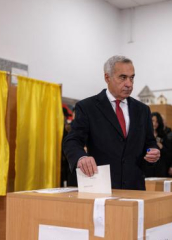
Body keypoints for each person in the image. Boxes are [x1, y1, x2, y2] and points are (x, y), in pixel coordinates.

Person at [63, 55, 160, 190]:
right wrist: (81, 158)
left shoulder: (142, 110)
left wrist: (153, 152)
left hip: (135, 187)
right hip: (101, 186)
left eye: (132, 78)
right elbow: (72, 141)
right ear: (107, 78)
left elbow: (150, 143)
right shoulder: (87, 107)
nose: (129, 84)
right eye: (123, 77)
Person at [143, 112, 172, 178]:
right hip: (147, 166)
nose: (154, 124)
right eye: (153, 121)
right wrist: (149, 150)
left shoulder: (164, 136)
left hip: (160, 167)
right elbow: (143, 149)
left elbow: (169, 153)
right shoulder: (144, 135)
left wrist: (161, 147)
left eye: (157, 122)